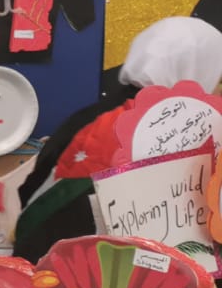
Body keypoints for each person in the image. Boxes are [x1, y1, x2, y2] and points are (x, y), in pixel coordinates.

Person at [14, 17, 222, 262]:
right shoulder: (192, 127)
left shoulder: (91, 117)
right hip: (110, 269)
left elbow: (35, 191)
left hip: (58, 264)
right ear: (196, 69)